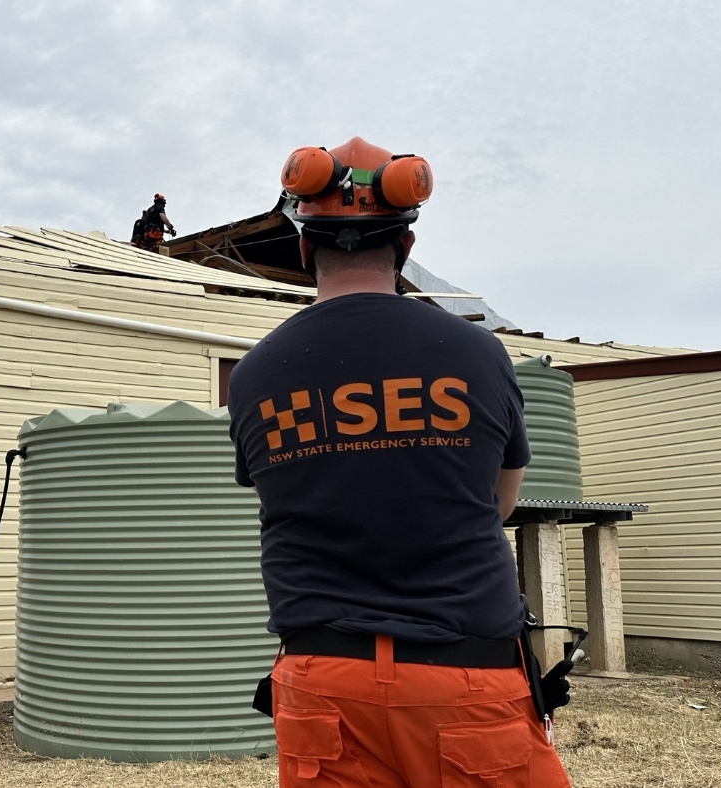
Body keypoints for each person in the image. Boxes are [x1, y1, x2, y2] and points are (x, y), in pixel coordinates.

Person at [226, 137, 572, 787]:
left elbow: (285, 496)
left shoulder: (254, 375)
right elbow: (497, 504)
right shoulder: (476, 354)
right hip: (465, 674)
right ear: (405, 247)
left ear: (305, 246)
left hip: (322, 680)